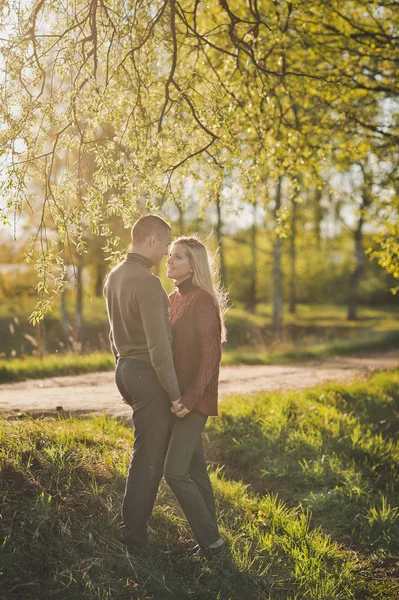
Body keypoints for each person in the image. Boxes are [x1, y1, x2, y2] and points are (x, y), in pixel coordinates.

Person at [104, 214, 182, 553]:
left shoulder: (114, 276)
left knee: (147, 455)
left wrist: (123, 375)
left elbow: (112, 333)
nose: (166, 252)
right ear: (151, 240)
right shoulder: (148, 283)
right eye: (166, 244)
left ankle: (135, 532)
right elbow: (159, 347)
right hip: (146, 373)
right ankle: (134, 540)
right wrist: (176, 394)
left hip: (125, 368)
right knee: (148, 460)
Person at [164, 236, 227, 556]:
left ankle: (211, 541)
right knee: (196, 471)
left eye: (178, 257)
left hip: (194, 400)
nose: (169, 260)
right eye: (170, 255)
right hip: (177, 400)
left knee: (174, 471)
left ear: (194, 266)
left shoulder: (201, 300)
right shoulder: (173, 297)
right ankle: (213, 540)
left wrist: (189, 399)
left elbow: (210, 357)